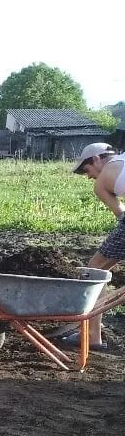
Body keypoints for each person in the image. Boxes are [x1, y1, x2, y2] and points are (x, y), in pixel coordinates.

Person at [54, 143, 125, 348]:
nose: (88, 176)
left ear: (96, 159)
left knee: (95, 270)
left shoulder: (102, 182)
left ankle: (93, 335)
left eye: (87, 170)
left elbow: (122, 215)